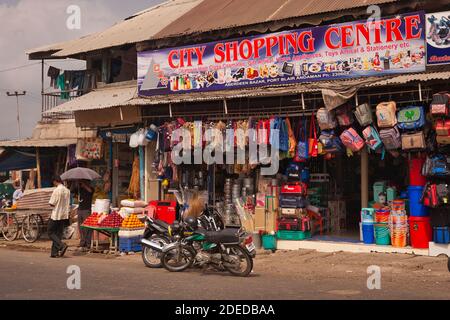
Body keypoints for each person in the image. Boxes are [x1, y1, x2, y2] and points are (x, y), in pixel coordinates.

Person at [48, 175, 70, 258]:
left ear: (55, 181)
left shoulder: (57, 190)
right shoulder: (67, 191)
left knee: (50, 232)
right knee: (57, 234)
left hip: (56, 214)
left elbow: (52, 203)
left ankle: (61, 245)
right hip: (64, 215)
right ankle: (54, 253)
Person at [76, 180, 94, 251]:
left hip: (86, 210)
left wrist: (84, 185)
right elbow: (73, 192)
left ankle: (88, 243)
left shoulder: (91, 188)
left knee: (87, 227)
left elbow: (90, 191)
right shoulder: (80, 189)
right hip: (80, 209)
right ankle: (82, 242)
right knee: (81, 227)